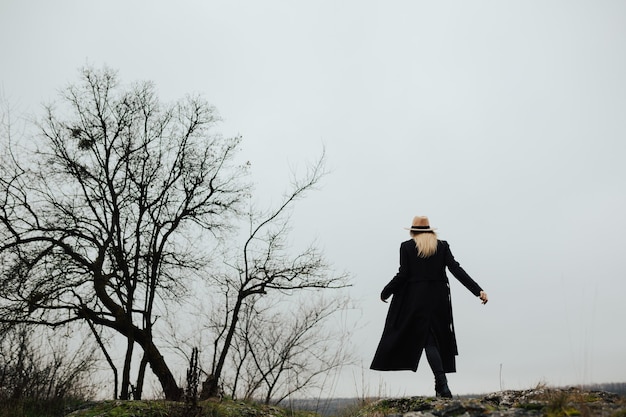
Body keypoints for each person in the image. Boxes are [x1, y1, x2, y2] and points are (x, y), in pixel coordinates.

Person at [370, 216, 488, 398]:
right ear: (430, 230)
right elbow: (456, 269)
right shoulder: (442, 246)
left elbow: (403, 274)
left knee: (428, 341)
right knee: (435, 338)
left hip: (416, 299)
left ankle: (443, 384)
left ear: (413, 231)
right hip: (439, 298)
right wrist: (478, 290)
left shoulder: (407, 246)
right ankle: (440, 386)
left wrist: (386, 291)